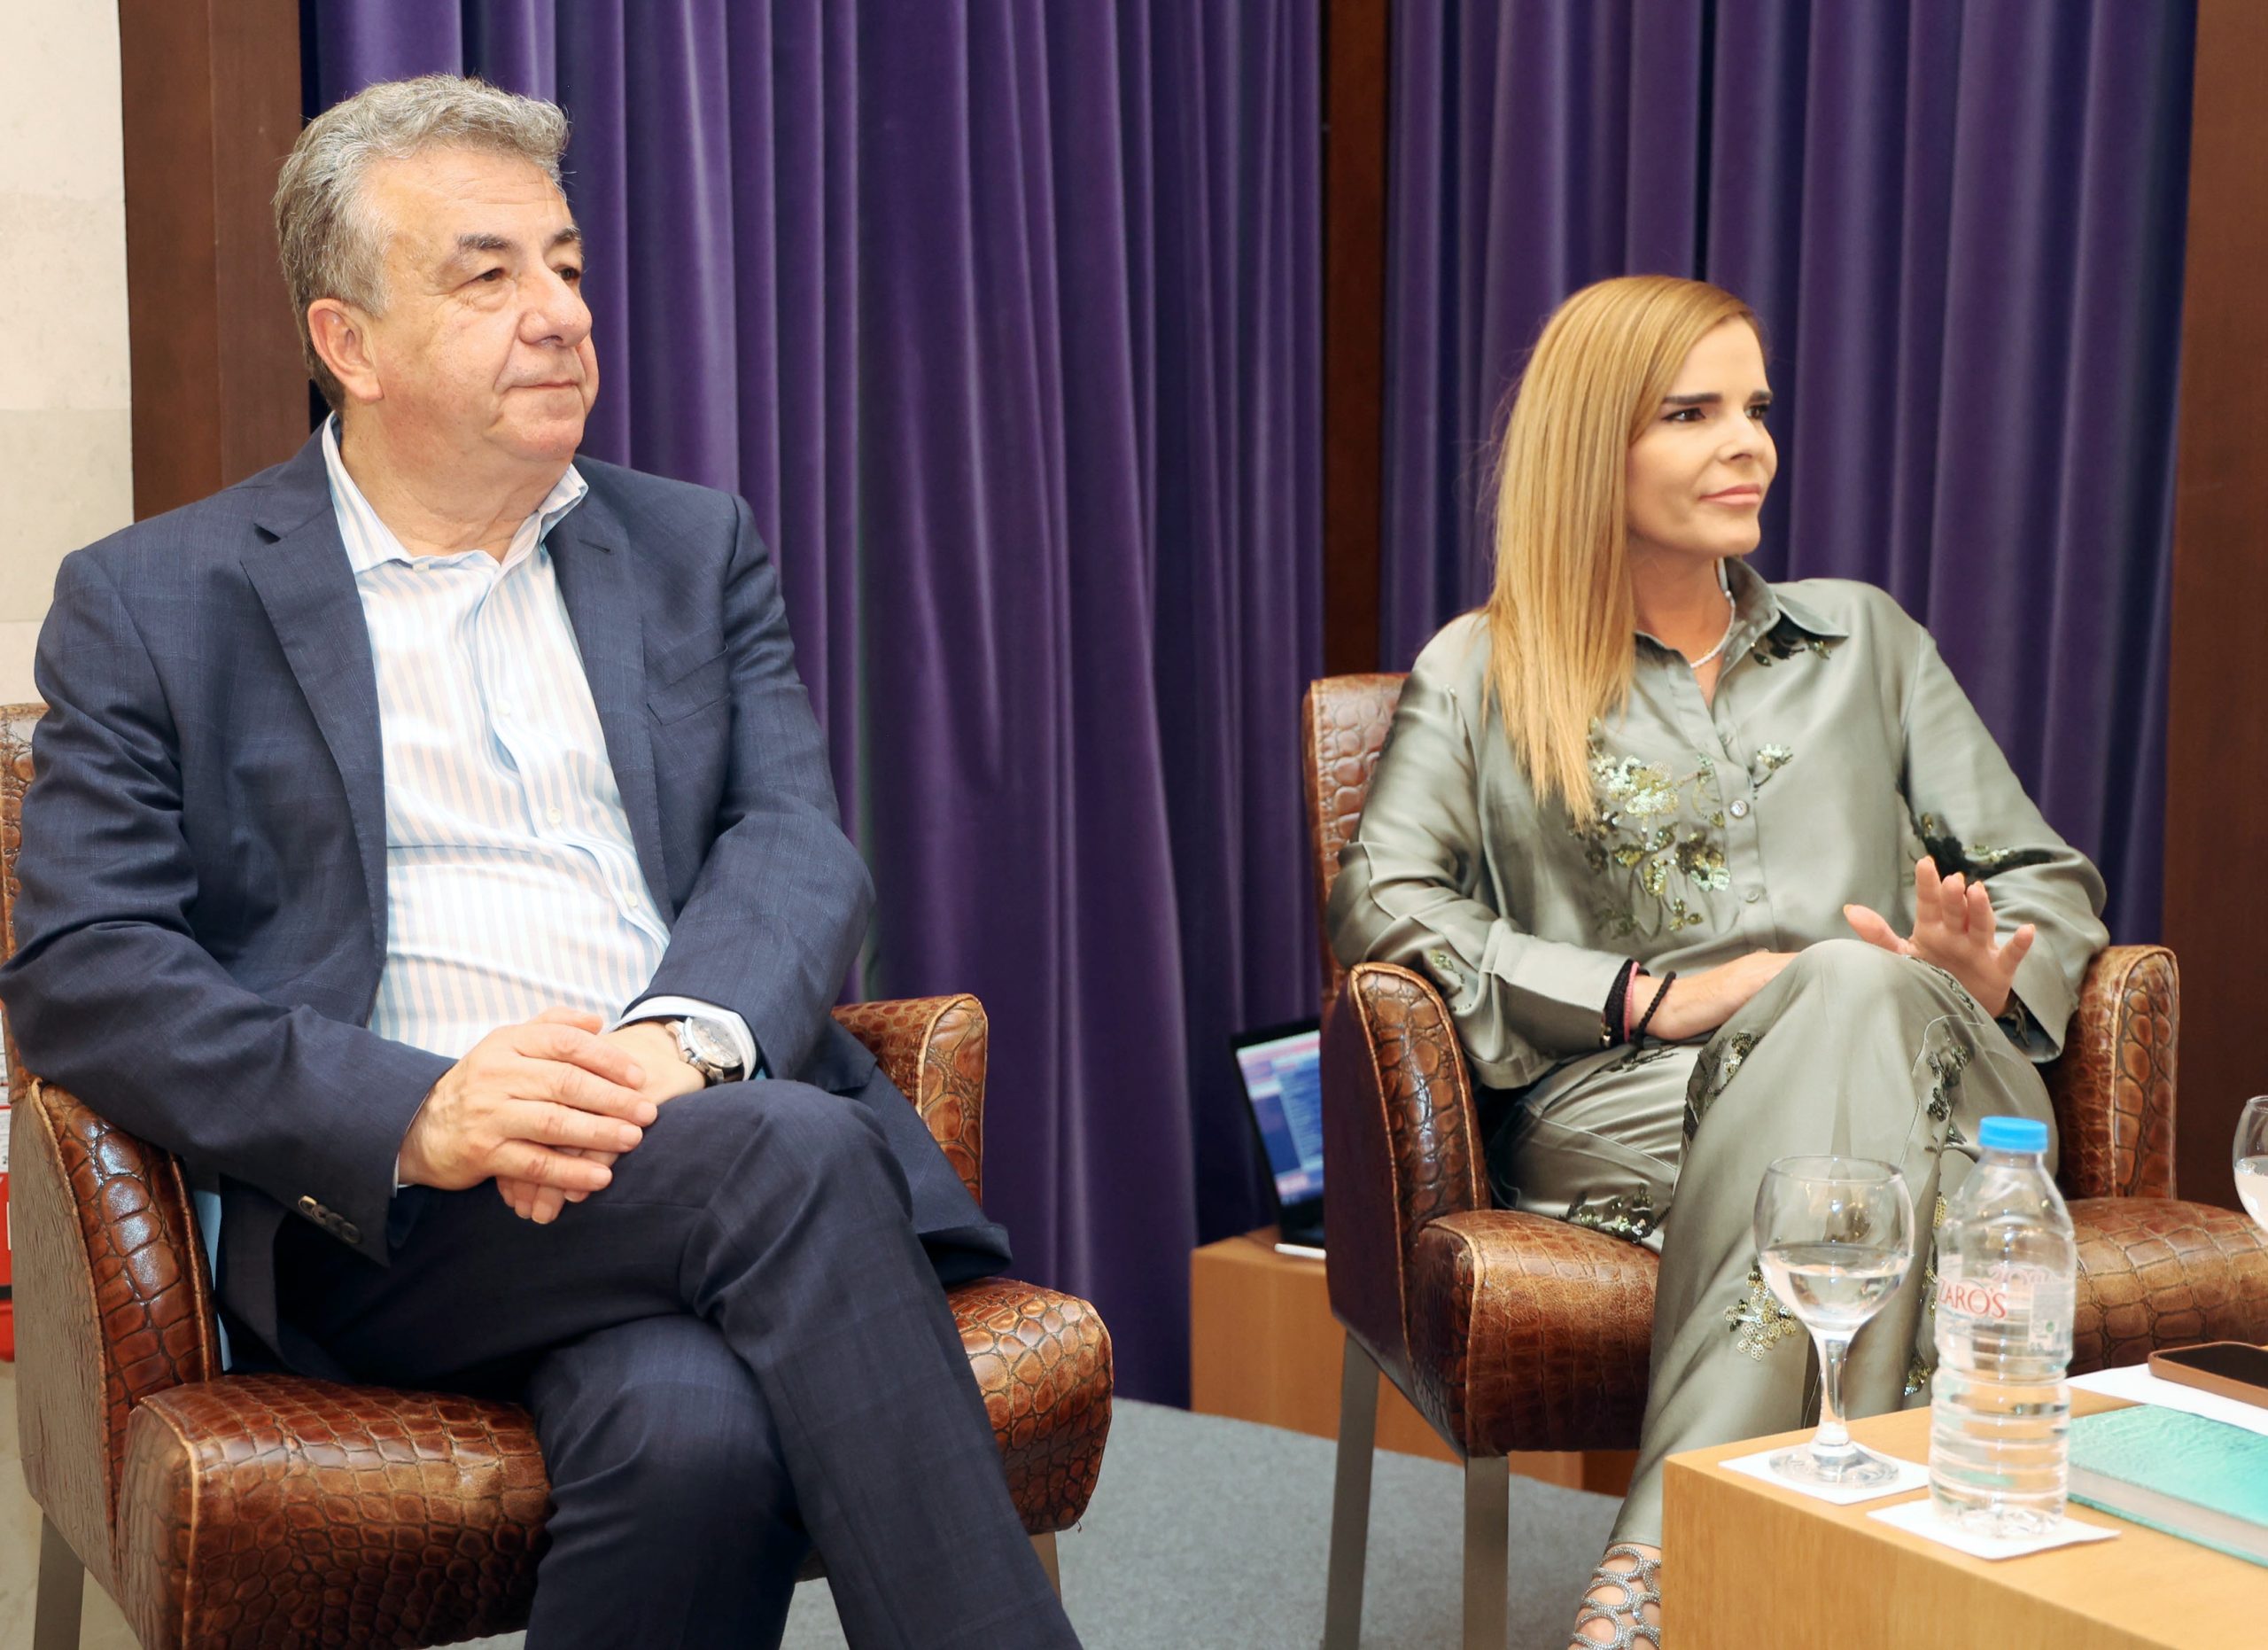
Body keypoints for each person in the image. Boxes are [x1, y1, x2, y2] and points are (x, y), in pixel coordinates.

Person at [0, 74, 1078, 1650]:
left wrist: (678, 1046)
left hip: (688, 1138)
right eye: (488, 274)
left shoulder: (690, 546)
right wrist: (420, 1110)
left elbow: (793, 838)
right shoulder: (155, 599)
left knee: (691, 1433)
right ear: (349, 343)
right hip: (394, 1221)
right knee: (793, 1156)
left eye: (566, 264)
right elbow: (85, 969)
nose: (561, 311)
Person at [1328, 274, 2106, 1648]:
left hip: (1926, 1063)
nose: (1750, 443)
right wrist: (1649, 993)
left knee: (1852, 987)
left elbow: (2047, 876)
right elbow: (1380, 905)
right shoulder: (1480, 672)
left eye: (1756, 407)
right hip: (1637, 1104)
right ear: (1593, 444)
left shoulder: (1868, 643)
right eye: (1693, 413)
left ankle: (1659, 1578)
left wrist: (1979, 977)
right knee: (1852, 1075)